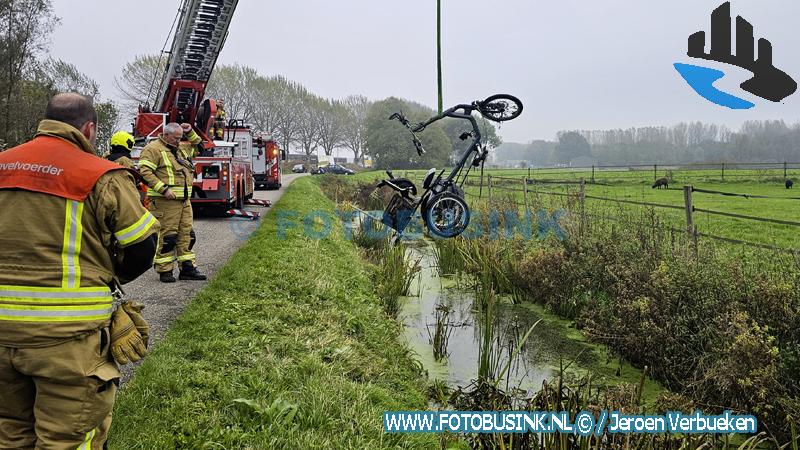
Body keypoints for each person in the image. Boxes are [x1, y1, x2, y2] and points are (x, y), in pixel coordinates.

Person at [0, 93, 159, 449]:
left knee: (10, 432)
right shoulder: (100, 175)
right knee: (65, 439)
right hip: (67, 341)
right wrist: (107, 279)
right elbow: (142, 247)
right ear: (89, 128)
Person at [138, 122, 207, 282]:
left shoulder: (181, 149)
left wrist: (189, 131)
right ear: (166, 135)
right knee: (168, 236)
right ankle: (165, 270)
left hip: (184, 201)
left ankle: (187, 269)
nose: (178, 141)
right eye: (176, 138)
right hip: (164, 202)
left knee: (186, 235)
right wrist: (163, 189)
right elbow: (144, 172)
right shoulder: (152, 149)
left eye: (180, 137)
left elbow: (200, 147)